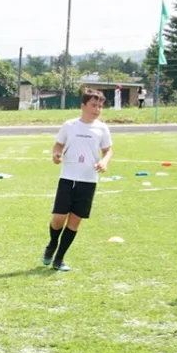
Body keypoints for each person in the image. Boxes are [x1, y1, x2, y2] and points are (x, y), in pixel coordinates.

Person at [42, 89, 113, 271]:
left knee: (75, 221)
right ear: (83, 106)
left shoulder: (102, 128)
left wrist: (104, 162)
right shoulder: (70, 125)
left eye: (100, 106)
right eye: (93, 105)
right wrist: (56, 154)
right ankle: (52, 244)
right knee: (59, 217)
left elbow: (107, 150)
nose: (97, 110)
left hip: (88, 180)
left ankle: (59, 258)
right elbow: (58, 144)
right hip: (68, 177)